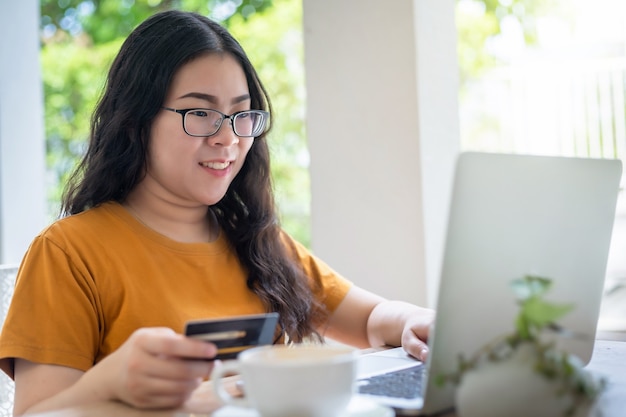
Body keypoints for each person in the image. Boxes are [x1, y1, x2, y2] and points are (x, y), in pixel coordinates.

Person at [0, 10, 435, 416]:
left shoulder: (257, 242)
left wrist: (414, 321)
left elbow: (371, 321)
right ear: (135, 121)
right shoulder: (68, 253)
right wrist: (112, 384)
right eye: (201, 113)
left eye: (240, 114)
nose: (228, 138)